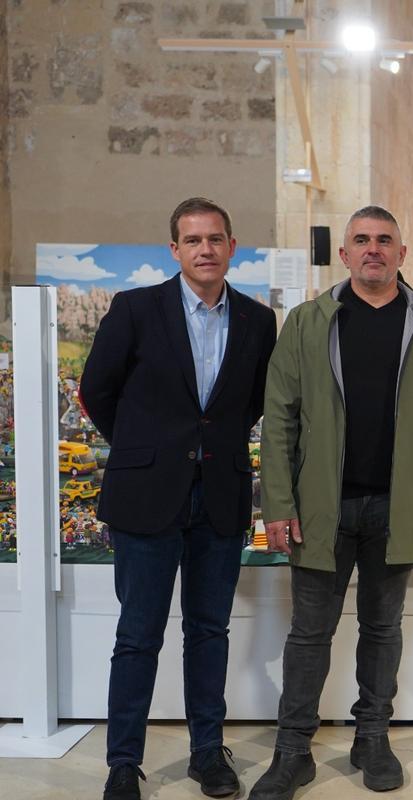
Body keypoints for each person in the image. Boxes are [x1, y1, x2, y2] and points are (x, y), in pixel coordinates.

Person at [250, 205, 413, 799]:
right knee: (308, 635)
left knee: (383, 629)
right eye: (361, 241)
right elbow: (279, 421)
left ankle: (371, 737)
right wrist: (277, 503)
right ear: (344, 255)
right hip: (320, 509)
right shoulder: (307, 322)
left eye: (384, 240)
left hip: (394, 509)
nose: (373, 249)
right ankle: (292, 751)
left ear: (402, 255)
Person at [81, 197, 277, 800]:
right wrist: (148, 448)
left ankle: (206, 754)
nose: (205, 250)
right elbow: (96, 390)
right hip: (146, 497)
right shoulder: (136, 309)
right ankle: (122, 764)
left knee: (209, 631)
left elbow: (250, 405)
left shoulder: (256, 320)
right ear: (174, 250)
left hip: (218, 497)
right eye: (192, 240)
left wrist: (203, 448)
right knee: (138, 634)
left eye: (215, 239)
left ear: (231, 247)